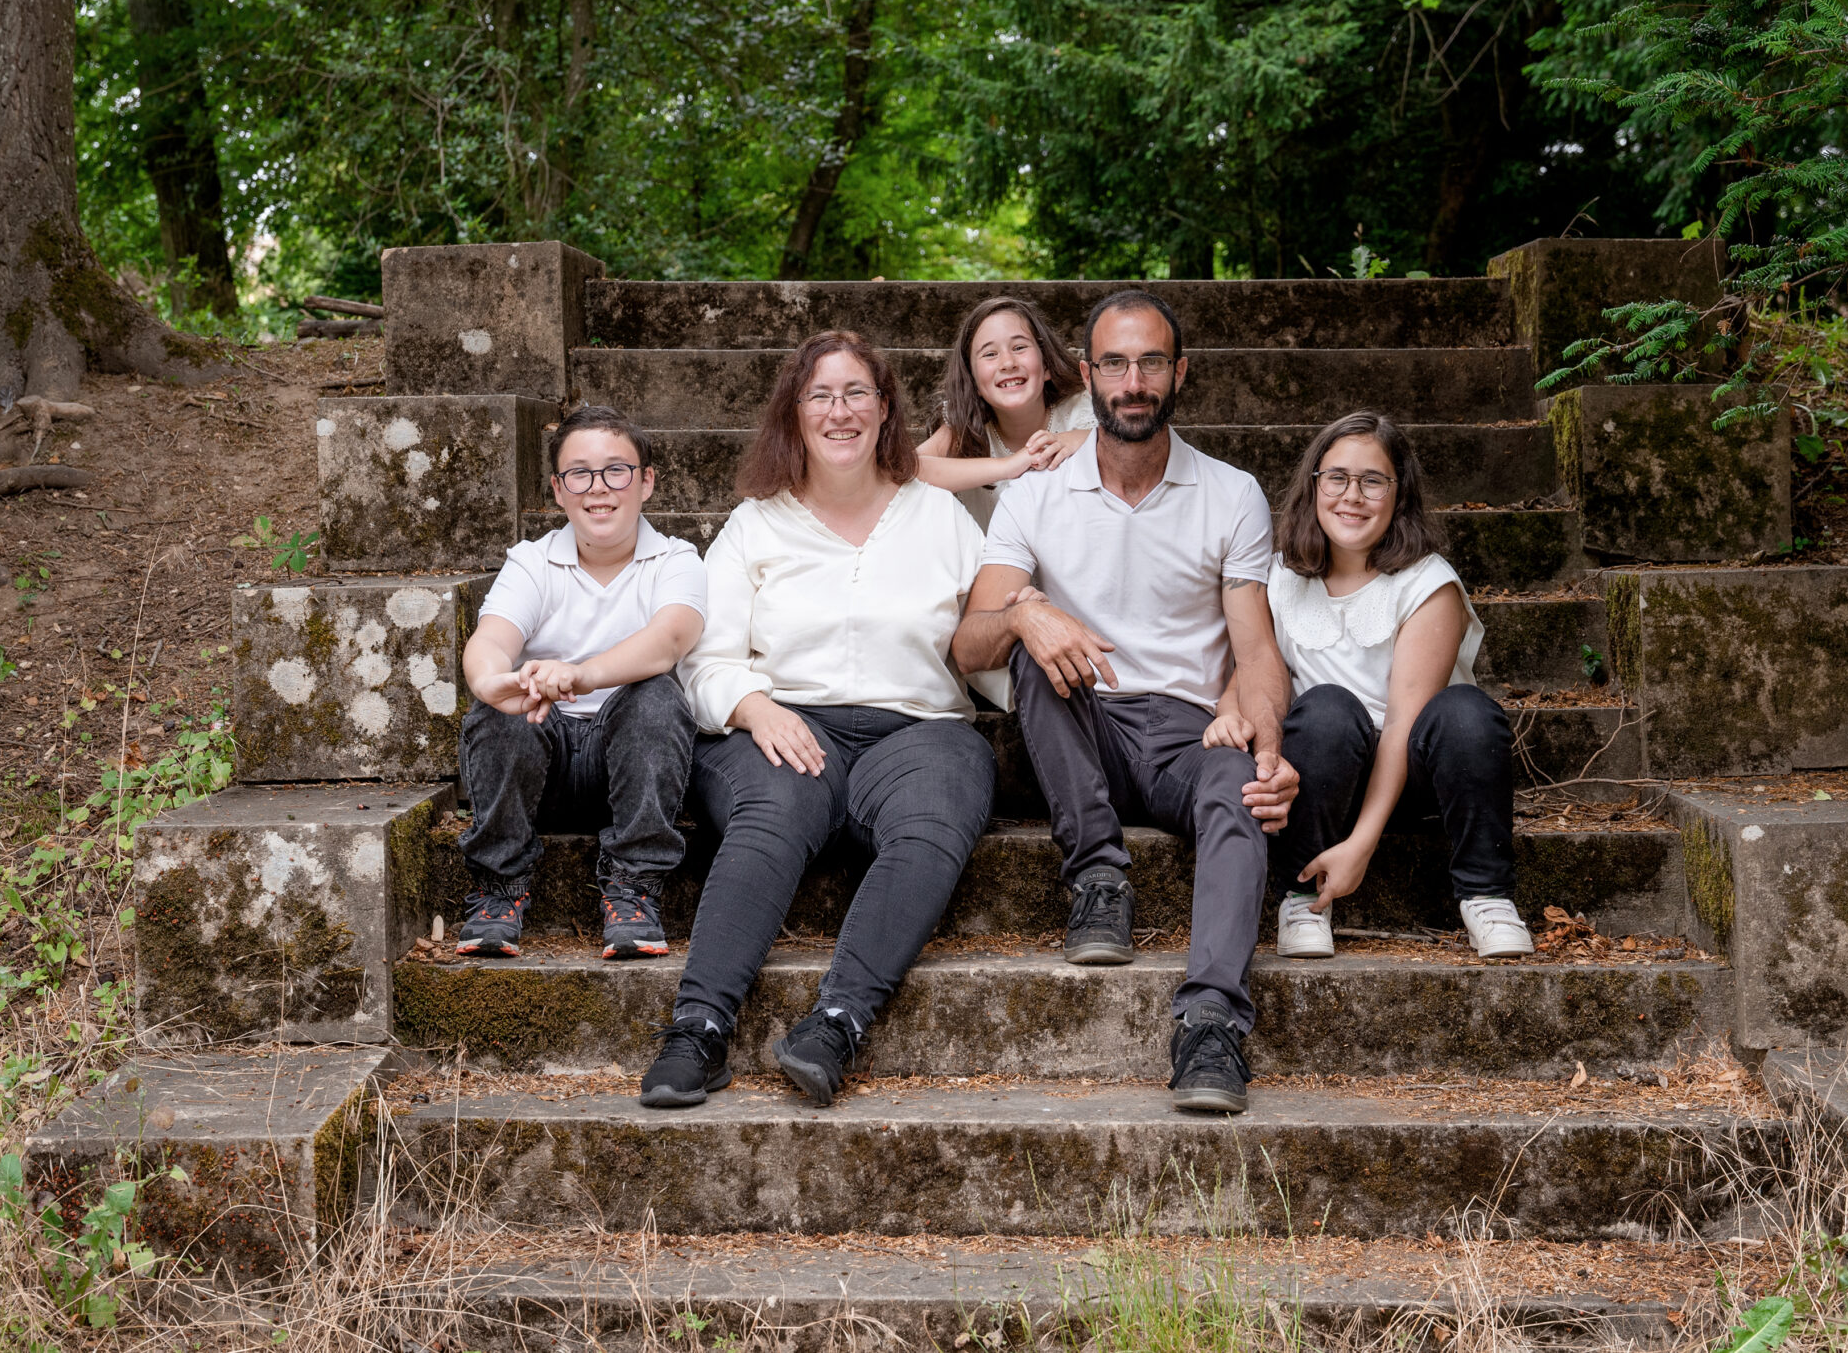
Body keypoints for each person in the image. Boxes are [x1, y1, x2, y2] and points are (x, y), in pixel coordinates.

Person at [952, 289, 1306, 1117]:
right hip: (1090, 721)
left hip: (1194, 731)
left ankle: (1211, 1021)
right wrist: (1026, 612)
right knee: (1035, 652)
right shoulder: (1035, 494)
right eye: (1114, 363)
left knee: (1243, 792)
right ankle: (1099, 878)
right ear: (1087, 374)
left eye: (1151, 361)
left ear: (1179, 373)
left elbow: (1256, 652)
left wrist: (1266, 738)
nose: (1133, 380)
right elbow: (969, 643)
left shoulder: (1231, 493)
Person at [640, 330, 999, 1111]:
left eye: (856, 393)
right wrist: (751, 703)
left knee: (937, 815)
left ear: (885, 409)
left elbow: (991, 650)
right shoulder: (755, 524)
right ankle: (697, 1030)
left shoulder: (941, 518)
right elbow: (703, 657)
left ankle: (835, 1023)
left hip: (919, 728)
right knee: (773, 810)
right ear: (794, 414)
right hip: (783, 724)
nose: (840, 411)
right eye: (820, 395)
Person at [1249, 410, 1533, 961]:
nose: (1352, 495)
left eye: (1372, 480)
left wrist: (1362, 844)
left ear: (1399, 494)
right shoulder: (1282, 576)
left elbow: (1405, 720)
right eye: (1337, 478)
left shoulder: (1429, 582)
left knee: (1466, 711)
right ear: (1314, 486)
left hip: (1417, 784)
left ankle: (1487, 895)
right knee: (1325, 707)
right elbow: (1255, 671)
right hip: (1325, 782)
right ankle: (1303, 897)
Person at [457, 404, 706, 961]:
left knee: (657, 695)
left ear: (646, 482)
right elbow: (490, 639)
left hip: (632, 766)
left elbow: (669, 640)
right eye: (579, 474)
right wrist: (493, 681)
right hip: (539, 761)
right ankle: (498, 889)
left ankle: (634, 887)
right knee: (502, 706)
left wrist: (582, 673)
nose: (599, 489)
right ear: (557, 489)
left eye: (617, 471)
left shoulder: (676, 561)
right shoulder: (532, 562)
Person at [916, 294, 1097, 529]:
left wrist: (1084, 439)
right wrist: (1008, 466)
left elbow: (1141, 444)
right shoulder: (965, 427)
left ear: (1046, 365)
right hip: (992, 563)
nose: (1008, 363)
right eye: (990, 354)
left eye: (1019, 347)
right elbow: (906, 469)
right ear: (973, 381)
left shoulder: (1080, 412)